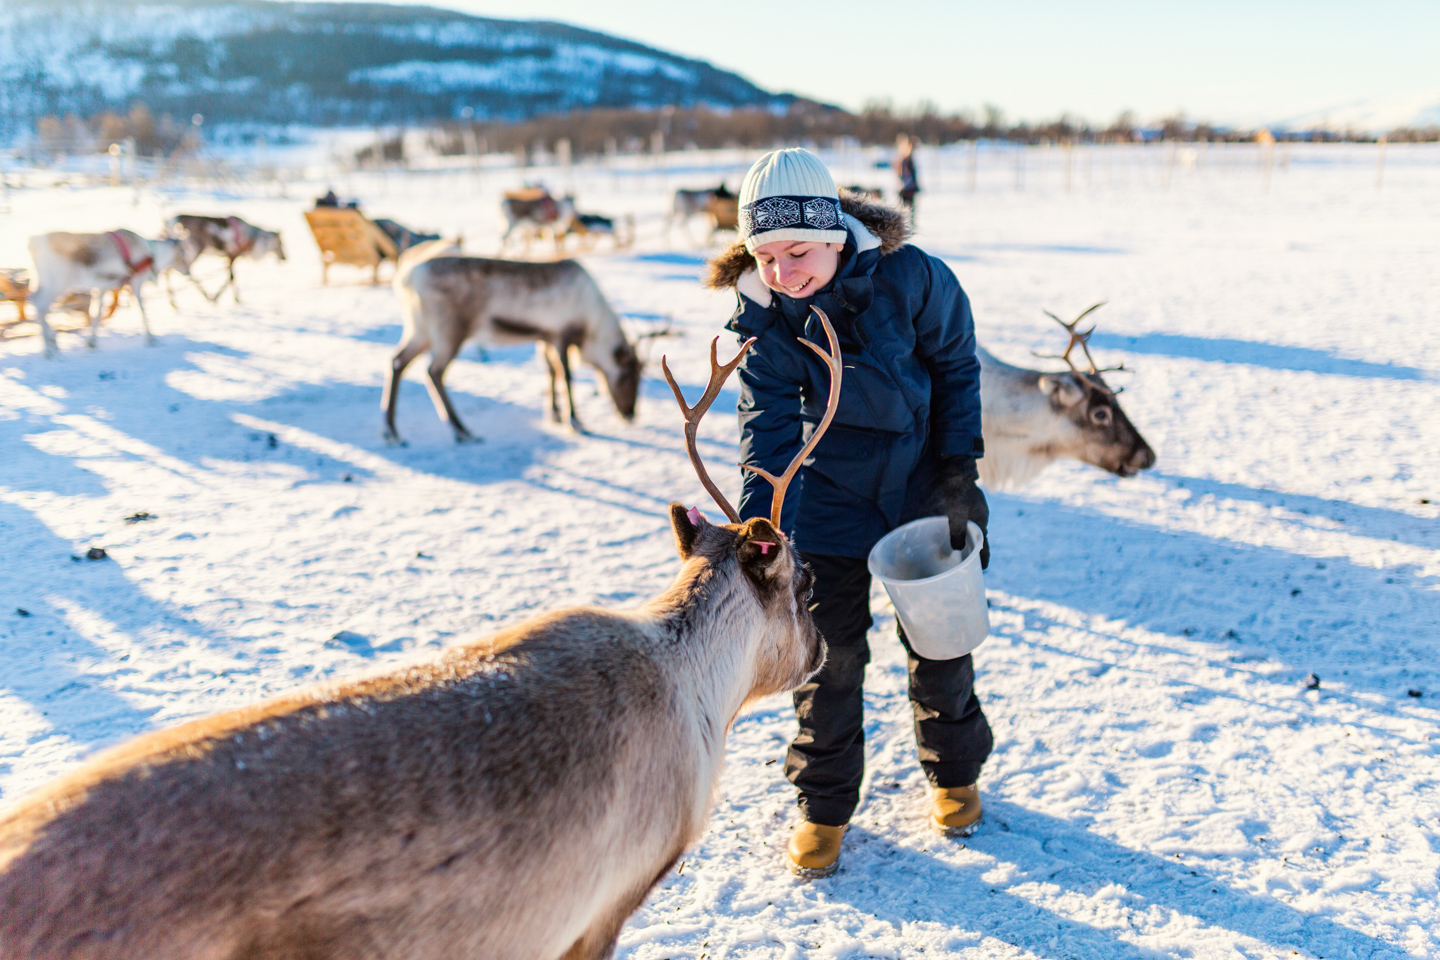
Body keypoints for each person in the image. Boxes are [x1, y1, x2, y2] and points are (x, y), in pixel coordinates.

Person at [705, 148, 992, 879]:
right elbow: (765, 421)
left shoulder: (913, 278)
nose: (782, 273)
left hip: (919, 486)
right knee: (828, 661)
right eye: (764, 256)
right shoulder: (765, 313)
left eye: (797, 251)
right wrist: (760, 522)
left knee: (941, 644)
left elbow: (957, 368)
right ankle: (823, 806)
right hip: (824, 500)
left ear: (835, 235)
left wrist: (959, 472)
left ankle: (956, 773)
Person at [896, 134, 920, 219]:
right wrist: (908, 186)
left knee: (909, 213)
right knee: (906, 213)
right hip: (906, 190)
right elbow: (905, 176)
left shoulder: (907, 159)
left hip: (908, 189)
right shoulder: (905, 161)